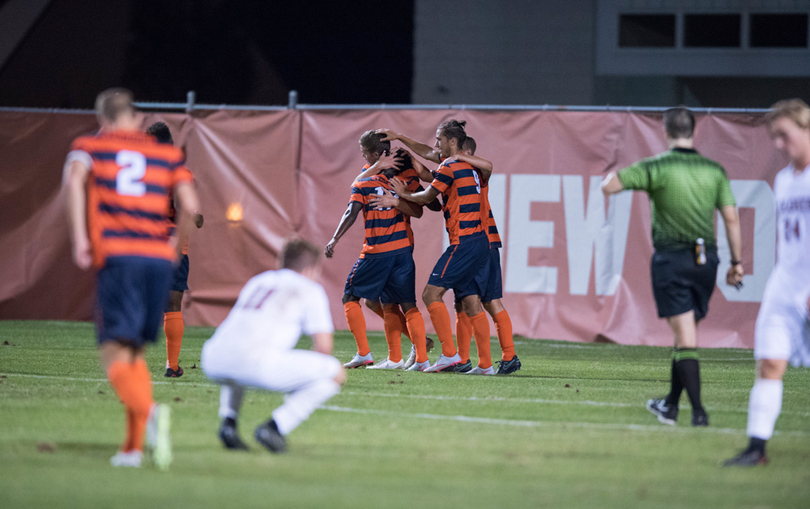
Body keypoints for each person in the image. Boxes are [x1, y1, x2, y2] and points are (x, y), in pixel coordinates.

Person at [63, 88, 199, 468]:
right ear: (136, 118)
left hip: (120, 256)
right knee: (134, 354)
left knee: (112, 352)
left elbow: (74, 181)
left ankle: (151, 412)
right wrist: (173, 245)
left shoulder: (92, 146)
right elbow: (191, 206)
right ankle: (132, 449)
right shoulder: (168, 155)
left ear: (103, 119)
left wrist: (79, 238)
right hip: (158, 259)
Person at [602, 107, 743, 427]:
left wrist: (611, 175)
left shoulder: (657, 166)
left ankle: (698, 412)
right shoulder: (714, 169)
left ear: (665, 132)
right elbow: (731, 218)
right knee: (685, 335)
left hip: (673, 261)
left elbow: (610, 186)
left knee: (685, 337)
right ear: (694, 131)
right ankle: (669, 404)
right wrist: (736, 263)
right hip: (706, 261)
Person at [724, 99, 810, 466]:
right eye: (774, 137)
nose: (778, 144)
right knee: (770, 363)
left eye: (784, 135)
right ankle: (757, 447)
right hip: (786, 283)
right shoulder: (784, 179)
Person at [201, 238, 346, 452]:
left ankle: (228, 424)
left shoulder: (259, 281)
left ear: (282, 261)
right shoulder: (309, 288)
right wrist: (302, 380)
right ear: (311, 269)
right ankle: (275, 427)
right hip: (255, 364)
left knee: (239, 353)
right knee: (335, 373)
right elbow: (324, 348)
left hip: (212, 358)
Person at [384, 120, 493, 373]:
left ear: (452, 142)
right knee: (469, 302)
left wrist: (400, 194)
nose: (435, 145)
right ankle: (485, 365)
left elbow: (427, 198)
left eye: (439, 139)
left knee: (430, 294)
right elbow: (428, 152)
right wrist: (401, 137)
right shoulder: (468, 165)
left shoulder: (450, 165)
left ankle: (448, 354)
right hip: (479, 241)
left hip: (464, 242)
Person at [325, 132, 432, 371]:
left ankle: (364, 354)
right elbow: (418, 210)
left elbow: (351, 211)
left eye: (366, 154)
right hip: (402, 250)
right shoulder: (398, 184)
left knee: (351, 297)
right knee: (397, 303)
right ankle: (410, 358)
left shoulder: (365, 182)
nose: (363, 157)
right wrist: (400, 197)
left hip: (378, 251)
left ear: (376, 156)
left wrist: (334, 238)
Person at [452, 137, 520, 375]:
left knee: (473, 300)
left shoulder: (476, 172)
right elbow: (430, 156)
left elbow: (487, 164)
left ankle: (475, 361)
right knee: (476, 301)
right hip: (485, 243)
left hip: (477, 243)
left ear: (466, 151)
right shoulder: (461, 172)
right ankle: (506, 356)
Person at [144, 122, 204, 378]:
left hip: (142, 241)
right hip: (174, 243)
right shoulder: (180, 172)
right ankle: (172, 364)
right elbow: (188, 209)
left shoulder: (142, 171)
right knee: (173, 304)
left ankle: (129, 361)